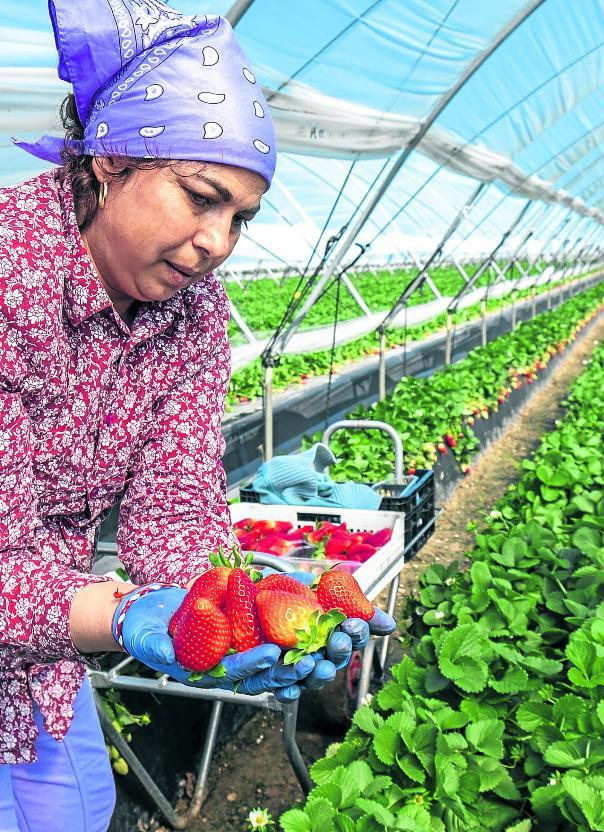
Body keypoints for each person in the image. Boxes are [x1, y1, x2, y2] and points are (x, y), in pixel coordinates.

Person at [0, 2, 395, 830]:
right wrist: (124, 614)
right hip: (46, 613)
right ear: (111, 159)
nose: (217, 241)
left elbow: (175, 503)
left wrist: (217, 603)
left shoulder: (194, 314)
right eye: (201, 197)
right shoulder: (11, 272)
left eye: (241, 219)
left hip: (37, 653)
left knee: (73, 811)